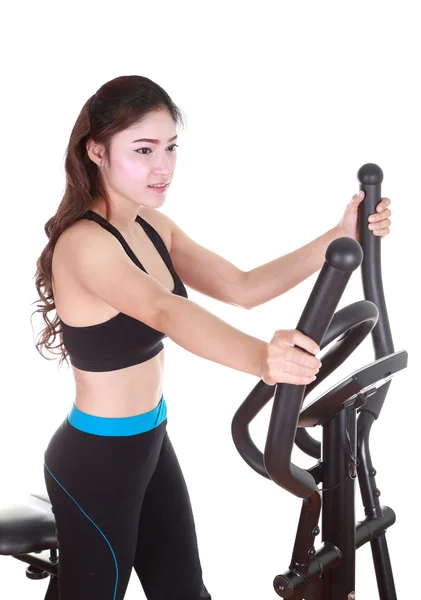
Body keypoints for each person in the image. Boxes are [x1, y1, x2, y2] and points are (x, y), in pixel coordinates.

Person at [31, 74, 392, 600]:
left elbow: (242, 286)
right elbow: (167, 311)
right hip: (95, 461)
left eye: (171, 147)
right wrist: (261, 359)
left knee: (184, 592)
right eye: (144, 149)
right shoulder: (85, 245)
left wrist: (342, 235)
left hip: (150, 442)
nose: (163, 165)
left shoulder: (154, 227)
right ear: (96, 151)